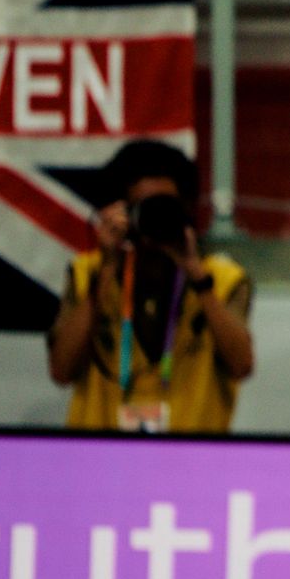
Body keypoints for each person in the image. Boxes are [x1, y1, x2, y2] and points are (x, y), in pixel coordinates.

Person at [46, 141, 254, 434]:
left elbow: (242, 366)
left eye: (166, 208)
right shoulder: (87, 273)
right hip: (102, 453)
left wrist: (196, 275)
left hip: (192, 454)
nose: (156, 218)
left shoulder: (221, 279)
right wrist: (107, 269)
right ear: (122, 212)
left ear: (186, 210)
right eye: (145, 209)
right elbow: (61, 371)